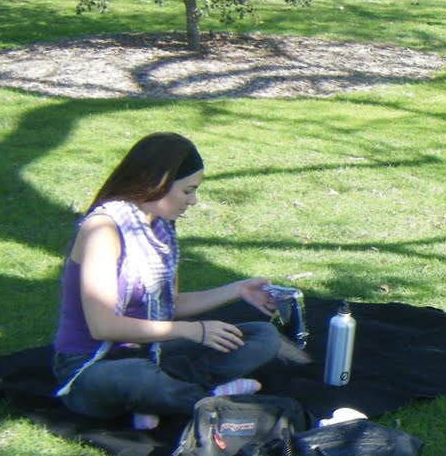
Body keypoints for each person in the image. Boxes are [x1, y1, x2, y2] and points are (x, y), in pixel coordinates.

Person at [52, 132, 282, 429]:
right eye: (188, 191)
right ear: (159, 182)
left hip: (151, 352)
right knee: (136, 378)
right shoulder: (102, 229)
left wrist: (237, 289)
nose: (194, 201)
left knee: (262, 338)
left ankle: (157, 400)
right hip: (91, 366)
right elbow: (103, 326)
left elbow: (170, 305)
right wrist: (192, 331)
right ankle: (206, 399)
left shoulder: (161, 228)